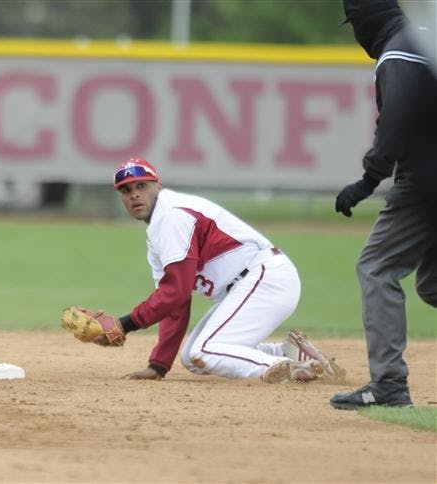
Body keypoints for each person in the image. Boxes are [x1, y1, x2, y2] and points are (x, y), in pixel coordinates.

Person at [105, 158, 344, 383]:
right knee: (193, 359)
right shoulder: (157, 231)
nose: (135, 194)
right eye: (126, 190)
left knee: (206, 351)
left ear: (158, 185)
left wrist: (125, 324)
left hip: (265, 278)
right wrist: (158, 365)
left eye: (142, 186)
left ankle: (288, 368)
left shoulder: (172, 216)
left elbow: (175, 293)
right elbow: (174, 304)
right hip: (251, 285)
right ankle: (290, 353)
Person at [330, 0, 437, 410]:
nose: (355, 32)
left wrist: (367, 180)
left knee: (376, 268)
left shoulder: (397, 51)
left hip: (425, 181)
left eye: (355, 21)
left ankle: (389, 384)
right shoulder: (424, 41)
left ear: (366, 20)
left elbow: (396, 120)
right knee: (431, 283)